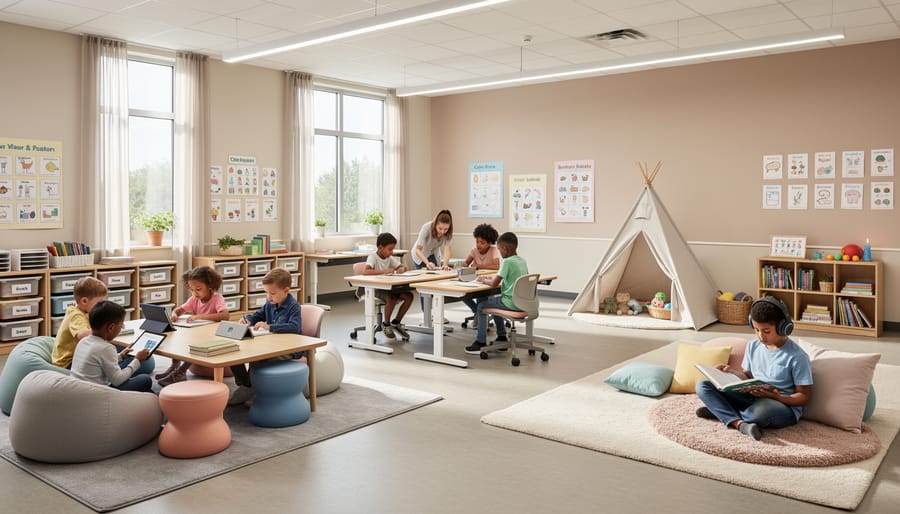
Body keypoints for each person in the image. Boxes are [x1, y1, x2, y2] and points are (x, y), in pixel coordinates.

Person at [695, 297, 813, 441]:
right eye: (756, 330)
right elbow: (748, 376)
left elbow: (804, 397)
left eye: (766, 331)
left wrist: (778, 397)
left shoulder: (797, 356)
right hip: (752, 397)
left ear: (783, 327)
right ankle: (739, 423)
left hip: (780, 405)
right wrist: (730, 372)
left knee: (759, 413)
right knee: (703, 385)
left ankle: (721, 412)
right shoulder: (753, 346)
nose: (761, 336)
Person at [228, 267, 302, 406]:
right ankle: (247, 385)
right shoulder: (270, 303)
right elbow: (257, 315)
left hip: (289, 349)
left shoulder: (294, 307)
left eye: (272, 293)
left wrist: (270, 327)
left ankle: (252, 388)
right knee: (234, 354)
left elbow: (294, 326)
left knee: (258, 358)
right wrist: (248, 320)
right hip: (270, 344)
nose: (269, 297)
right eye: (266, 292)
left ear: (286, 290)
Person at [155, 266, 230, 386]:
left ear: (210, 285)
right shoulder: (194, 299)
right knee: (178, 336)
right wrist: (174, 315)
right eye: (192, 289)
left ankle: (181, 371)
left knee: (194, 345)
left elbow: (225, 316)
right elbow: (179, 310)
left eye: (198, 289)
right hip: (199, 334)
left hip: (213, 337)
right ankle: (175, 366)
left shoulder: (217, 298)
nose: (195, 293)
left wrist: (200, 316)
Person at [465, 232, 528, 355]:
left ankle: (480, 342)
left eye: (499, 249)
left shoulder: (507, 262)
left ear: (504, 249)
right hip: (522, 302)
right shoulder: (522, 261)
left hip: (510, 303)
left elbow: (494, 284)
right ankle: (501, 337)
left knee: (482, 306)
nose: (499, 252)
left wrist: (483, 279)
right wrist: (491, 278)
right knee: (494, 305)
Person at [70, 300, 153, 392]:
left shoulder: (83, 341)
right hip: (97, 392)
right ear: (111, 328)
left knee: (140, 383)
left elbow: (100, 361)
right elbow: (117, 380)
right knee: (145, 379)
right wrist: (137, 360)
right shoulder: (106, 348)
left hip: (78, 388)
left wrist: (120, 356)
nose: (122, 328)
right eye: (121, 326)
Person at [362, 232, 413, 340]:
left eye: (393, 249)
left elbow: (401, 266)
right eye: (390, 249)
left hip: (389, 287)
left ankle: (396, 322)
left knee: (409, 296)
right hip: (376, 289)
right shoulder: (373, 257)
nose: (392, 252)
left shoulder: (389, 257)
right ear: (380, 247)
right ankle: (386, 324)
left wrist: (401, 269)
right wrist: (384, 271)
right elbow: (366, 271)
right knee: (391, 298)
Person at [51, 276, 108, 369]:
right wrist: (104, 330)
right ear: (84, 301)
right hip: (67, 362)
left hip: (79, 356)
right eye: (99, 303)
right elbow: (83, 335)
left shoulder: (87, 311)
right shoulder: (75, 315)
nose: (102, 306)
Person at [461, 223, 501, 327]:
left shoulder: (494, 250)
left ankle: (479, 317)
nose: (478, 245)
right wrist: (465, 265)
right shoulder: (474, 251)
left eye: (482, 243)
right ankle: (476, 311)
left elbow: (497, 266)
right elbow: (466, 263)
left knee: (481, 296)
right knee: (462, 294)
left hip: (488, 280)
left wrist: (478, 265)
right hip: (475, 279)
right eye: (477, 242)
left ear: (489, 243)